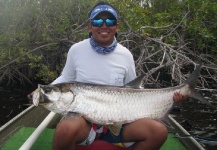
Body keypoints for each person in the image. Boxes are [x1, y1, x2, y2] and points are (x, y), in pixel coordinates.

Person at [52, 2, 185, 150]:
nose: (104, 25)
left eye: (110, 21)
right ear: (90, 27)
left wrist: (171, 100)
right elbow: (65, 77)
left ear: (117, 27)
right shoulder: (76, 50)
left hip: (120, 121)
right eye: (97, 21)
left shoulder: (125, 55)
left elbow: (135, 91)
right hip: (84, 120)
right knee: (64, 130)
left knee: (158, 132)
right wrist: (46, 91)